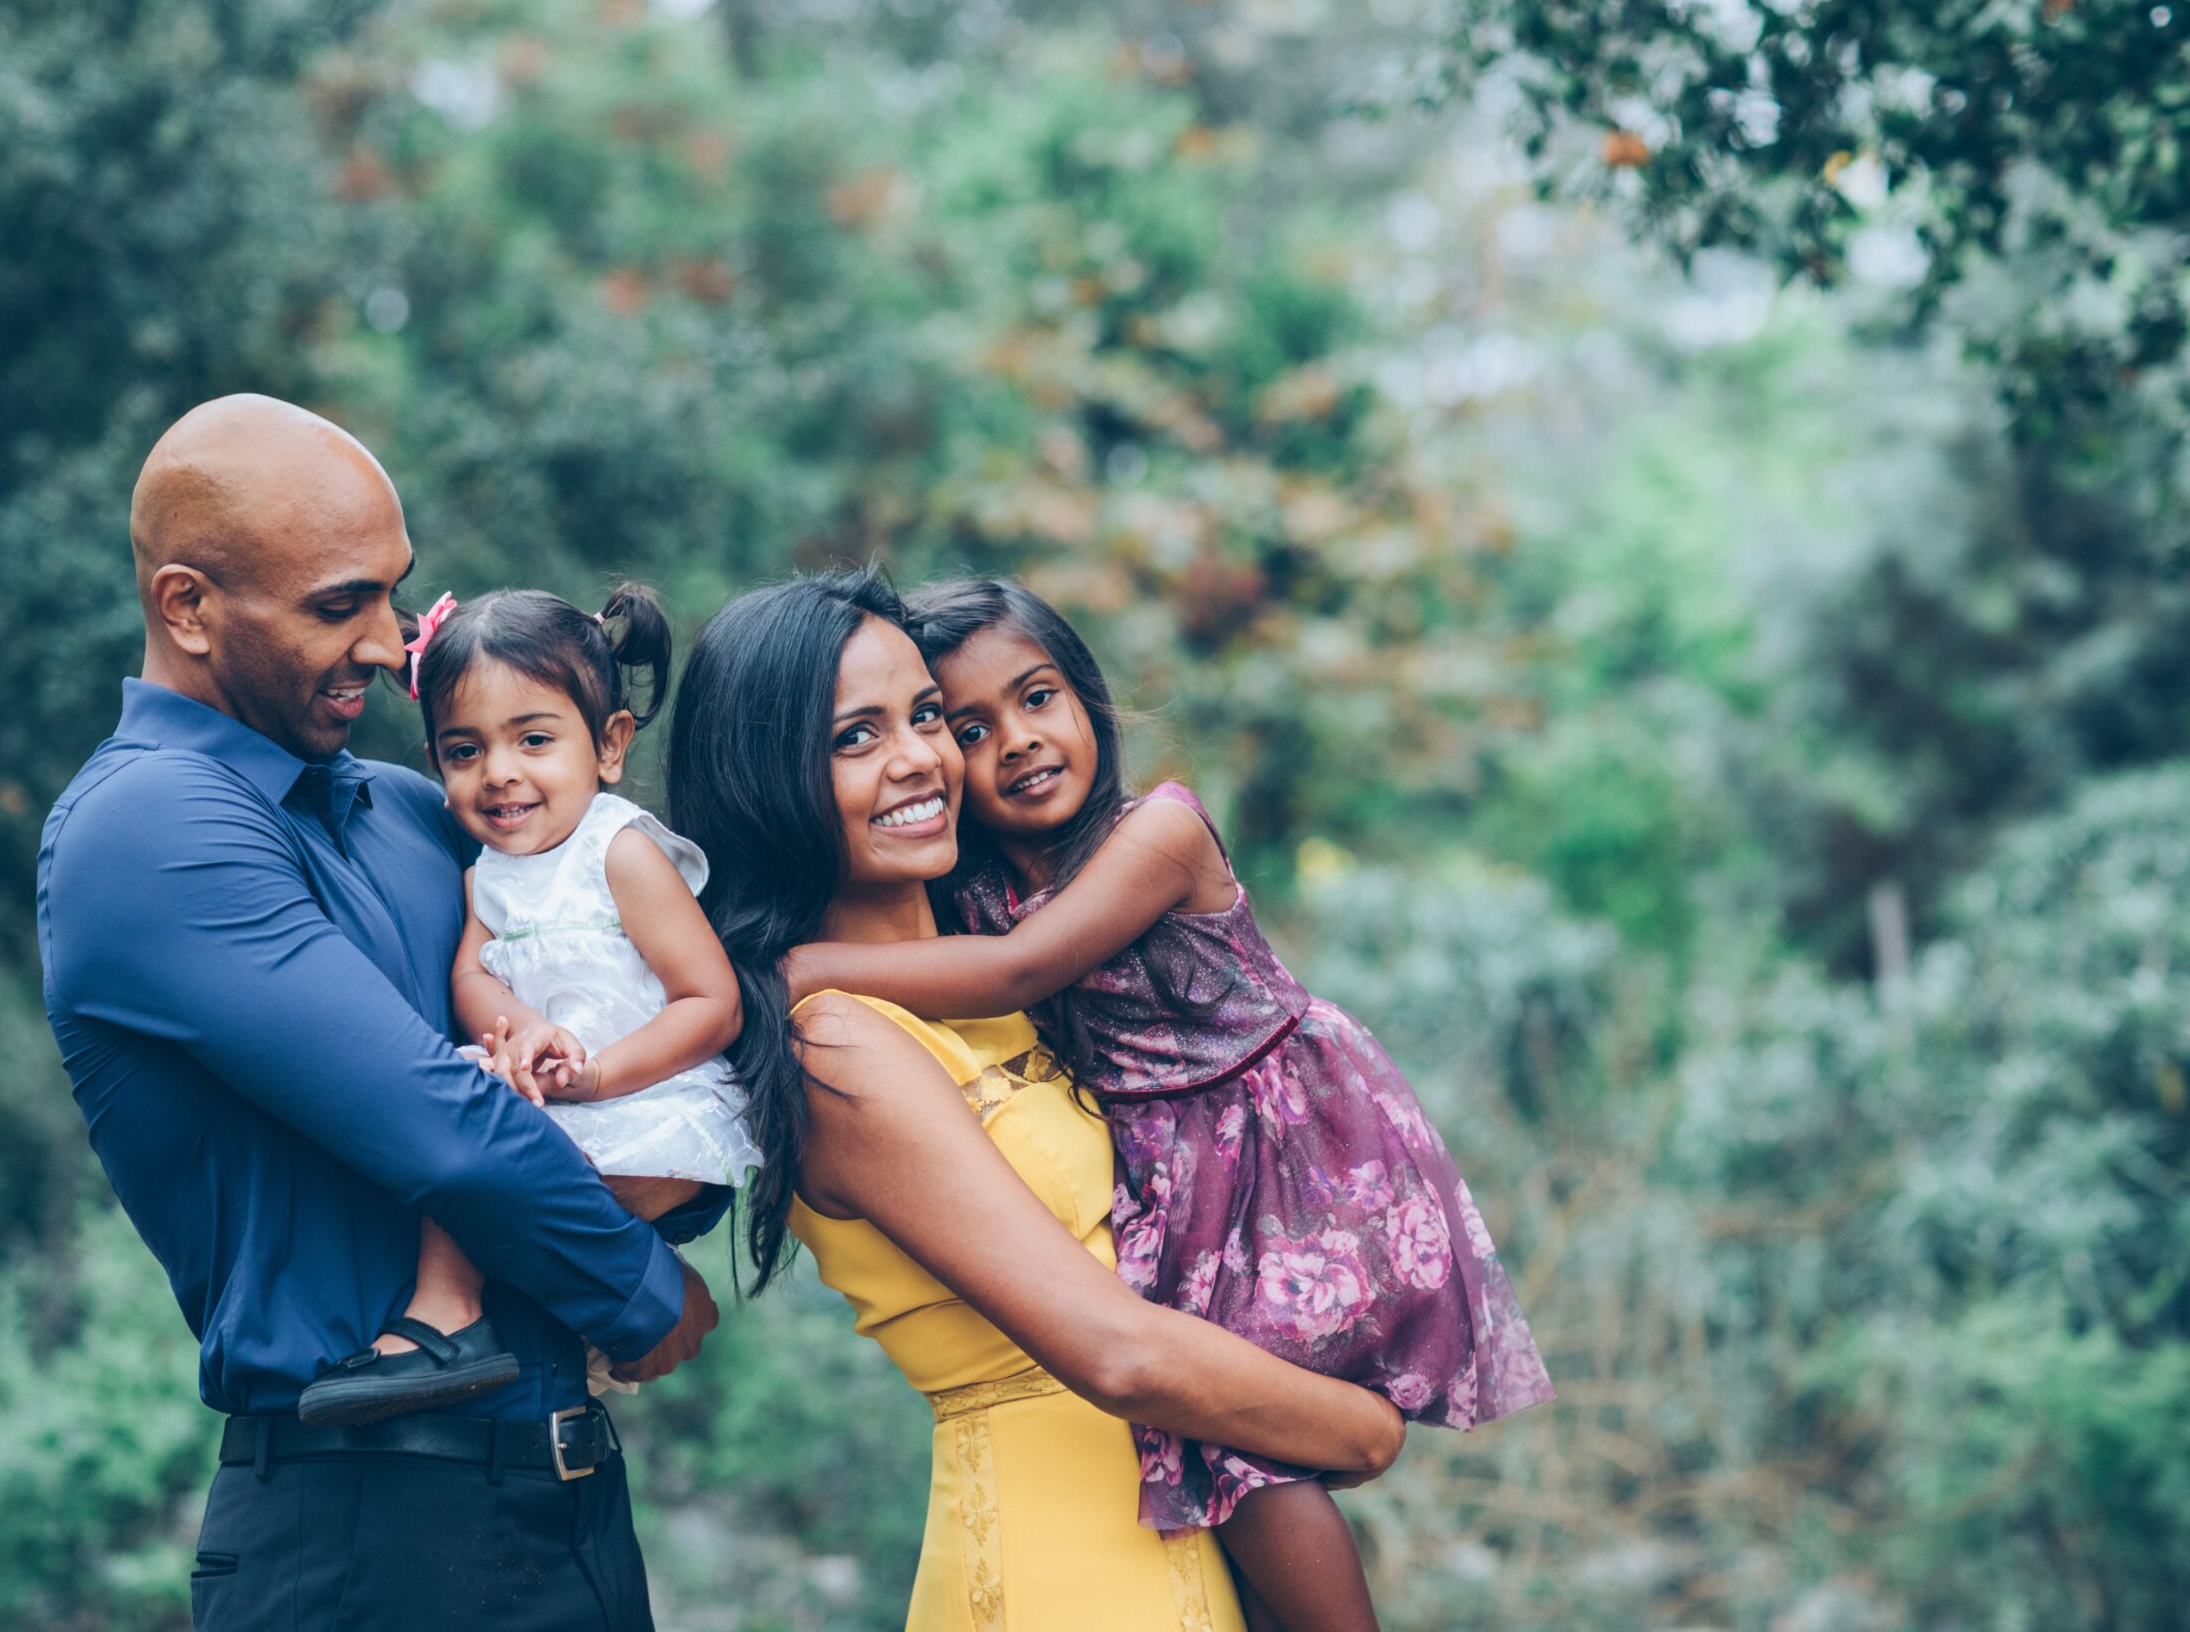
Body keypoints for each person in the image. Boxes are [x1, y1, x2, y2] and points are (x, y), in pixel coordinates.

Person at [35, 394, 717, 1631]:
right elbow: (436, 1118)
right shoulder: (147, 828)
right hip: (366, 1527)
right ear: (186, 606)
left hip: (563, 1508)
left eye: (394, 596)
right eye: (339, 604)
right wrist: (642, 1290)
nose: (390, 644)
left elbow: (599, 968)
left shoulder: (410, 810)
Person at [786, 578, 1557, 1632]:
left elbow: (1018, 972)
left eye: (1038, 699)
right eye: (969, 726)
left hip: (1267, 1165)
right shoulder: (961, 913)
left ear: (1090, 700)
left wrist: (787, 970)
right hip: (1169, 1195)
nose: (1013, 742)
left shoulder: (1156, 834)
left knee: (1252, 1460)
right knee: (1228, 1461)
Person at [667, 568, 1411, 1632]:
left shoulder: (1007, 974)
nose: (921, 757)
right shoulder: (833, 1036)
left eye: (925, 717)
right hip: (1058, 1568)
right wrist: (1361, 1431)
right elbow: (1119, 1349)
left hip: (1187, 1533)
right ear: (762, 778)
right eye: (855, 737)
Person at [299, 585, 760, 1425]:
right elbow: (472, 978)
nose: (500, 772)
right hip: (560, 1099)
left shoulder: (619, 852)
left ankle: (451, 1311)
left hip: (649, 1103)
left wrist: (600, 1073)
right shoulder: (487, 871)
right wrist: (519, 1031)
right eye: (464, 750)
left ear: (610, 745)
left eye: (534, 739)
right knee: (458, 1112)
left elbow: (712, 1002)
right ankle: (552, 1328)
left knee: (485, 1166)